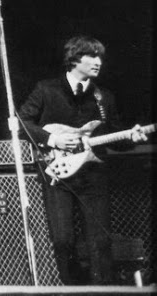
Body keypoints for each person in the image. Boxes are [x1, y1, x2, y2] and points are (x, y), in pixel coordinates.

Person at [17, 35, 147, 285]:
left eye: (100, 57)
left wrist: (133, 137)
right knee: (62, 239)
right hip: (57, 172)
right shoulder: (47, 89)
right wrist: (53, 140)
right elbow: (22, 122)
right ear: (74, 59)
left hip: (92, 173)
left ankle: (103, 290)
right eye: (92, 56)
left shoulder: (103, 97)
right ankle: (68, 288)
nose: (99, 62)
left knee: (100, 240)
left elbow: (114, 137)